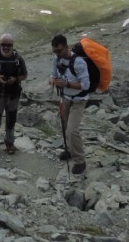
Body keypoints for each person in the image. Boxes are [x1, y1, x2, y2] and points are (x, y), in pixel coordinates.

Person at [49, 34, 90, 175]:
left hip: (79, 100)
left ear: (66, 47)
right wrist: (53, 80)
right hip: (65, 98)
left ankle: (80, 161)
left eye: (59, 51)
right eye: (55, 51)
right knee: (65, 126)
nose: (57, 54)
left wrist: (66, 84)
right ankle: (69, 151)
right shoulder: (56, 59)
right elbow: (53, 75)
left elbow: (86, 85)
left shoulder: (79, 63)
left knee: (72, 130)